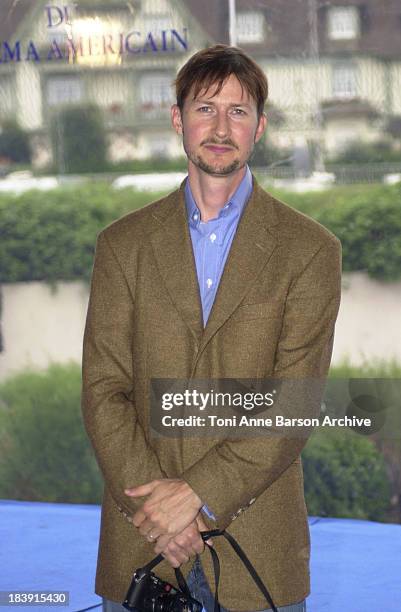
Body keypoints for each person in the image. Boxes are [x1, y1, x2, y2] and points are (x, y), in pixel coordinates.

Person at [81, 44, 341, 612]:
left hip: (257, 551)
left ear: (260, 127)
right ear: (177, 119)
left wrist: (194, 498)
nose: (221, 127)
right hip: (141, 542)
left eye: (239, 111)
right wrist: (160, 513)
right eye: (205, 108)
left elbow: (293, 403)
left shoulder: (311, 250)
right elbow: (104, 390)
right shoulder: (122, 246)